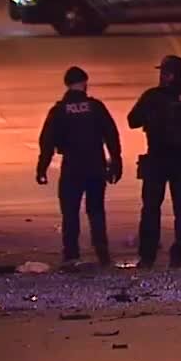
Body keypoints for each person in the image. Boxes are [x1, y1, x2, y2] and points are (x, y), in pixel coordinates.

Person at [36, 66, 122, 266]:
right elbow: (111, 135)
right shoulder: (95, 107)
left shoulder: (59, 110)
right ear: (85, 82)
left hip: (72, 166)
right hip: (95, 164)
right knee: (96, 210)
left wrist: (42, 168)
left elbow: (47, 141)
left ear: (66, 84)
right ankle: (102, 253)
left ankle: (72, 254)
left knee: (70, 211)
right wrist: (116, 162)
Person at [127, 55, 181, 269]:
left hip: (157, 157)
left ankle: (148, 254)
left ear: (169, 74)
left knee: (151, 207)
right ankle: (180, 250)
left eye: (163, 72)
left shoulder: (152, 96)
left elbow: (133, 120)